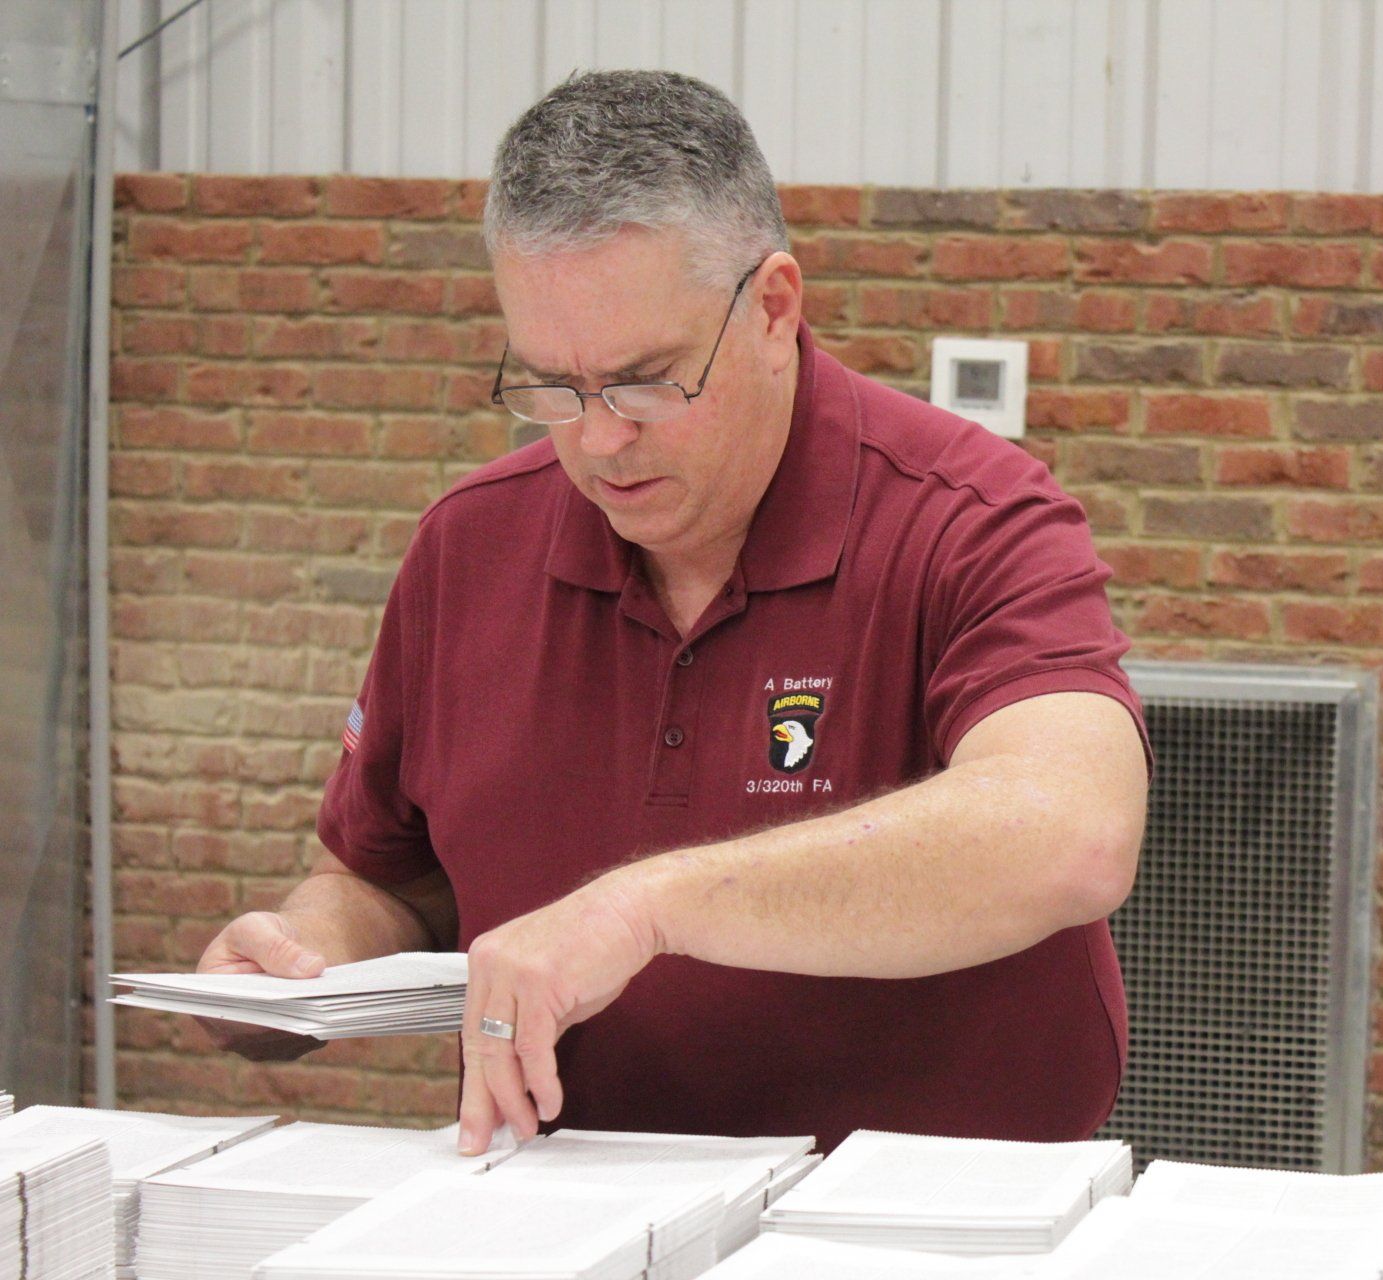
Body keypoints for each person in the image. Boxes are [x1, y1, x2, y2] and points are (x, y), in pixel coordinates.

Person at [195, 69, 1150, 1156]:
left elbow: (1069, 833)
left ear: (774, 310)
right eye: (552, 387)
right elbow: (387, 877)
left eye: (647, 381)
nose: (600, 440)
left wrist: (643, 909)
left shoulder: (971, 519)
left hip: (928, 1207)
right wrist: (303, 955)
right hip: (576, 1194)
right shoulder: (469, 547)